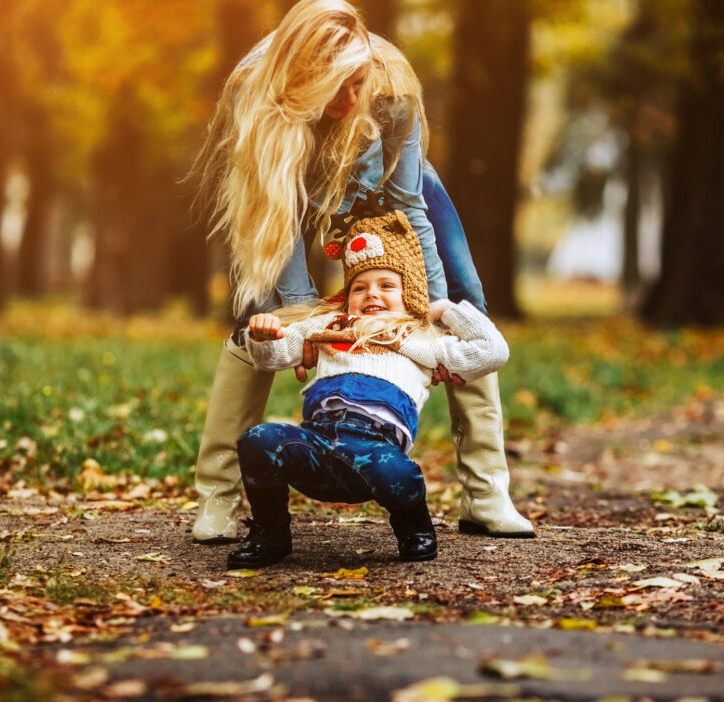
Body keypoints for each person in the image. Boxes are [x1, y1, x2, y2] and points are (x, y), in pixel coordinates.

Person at [189, 0, 534, 544]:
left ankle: (486, 494)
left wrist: (427, 310)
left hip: (388, 188)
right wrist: (302, 321)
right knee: (261, 315)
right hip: (284, 195)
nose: (349, 101)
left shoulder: (391, 90)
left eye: (356, 84)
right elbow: (275, 217)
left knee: (465, 298)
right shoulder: (252, 91)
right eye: (334, 88)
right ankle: (217, 497)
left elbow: (410, 204)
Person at [228, 206, 509, 567]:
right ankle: (271, 534)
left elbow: (492, 350)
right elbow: (274, 357)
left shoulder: (423, 339)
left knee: (397, 471)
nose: (372, 294)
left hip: (375, 449)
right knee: (257, 440)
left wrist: (443, 309)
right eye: (359, 287)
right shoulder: (329, 326)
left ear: (410, 294)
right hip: (316, 443)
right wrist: (264, 335)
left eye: (386, 286)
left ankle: (414, 526)